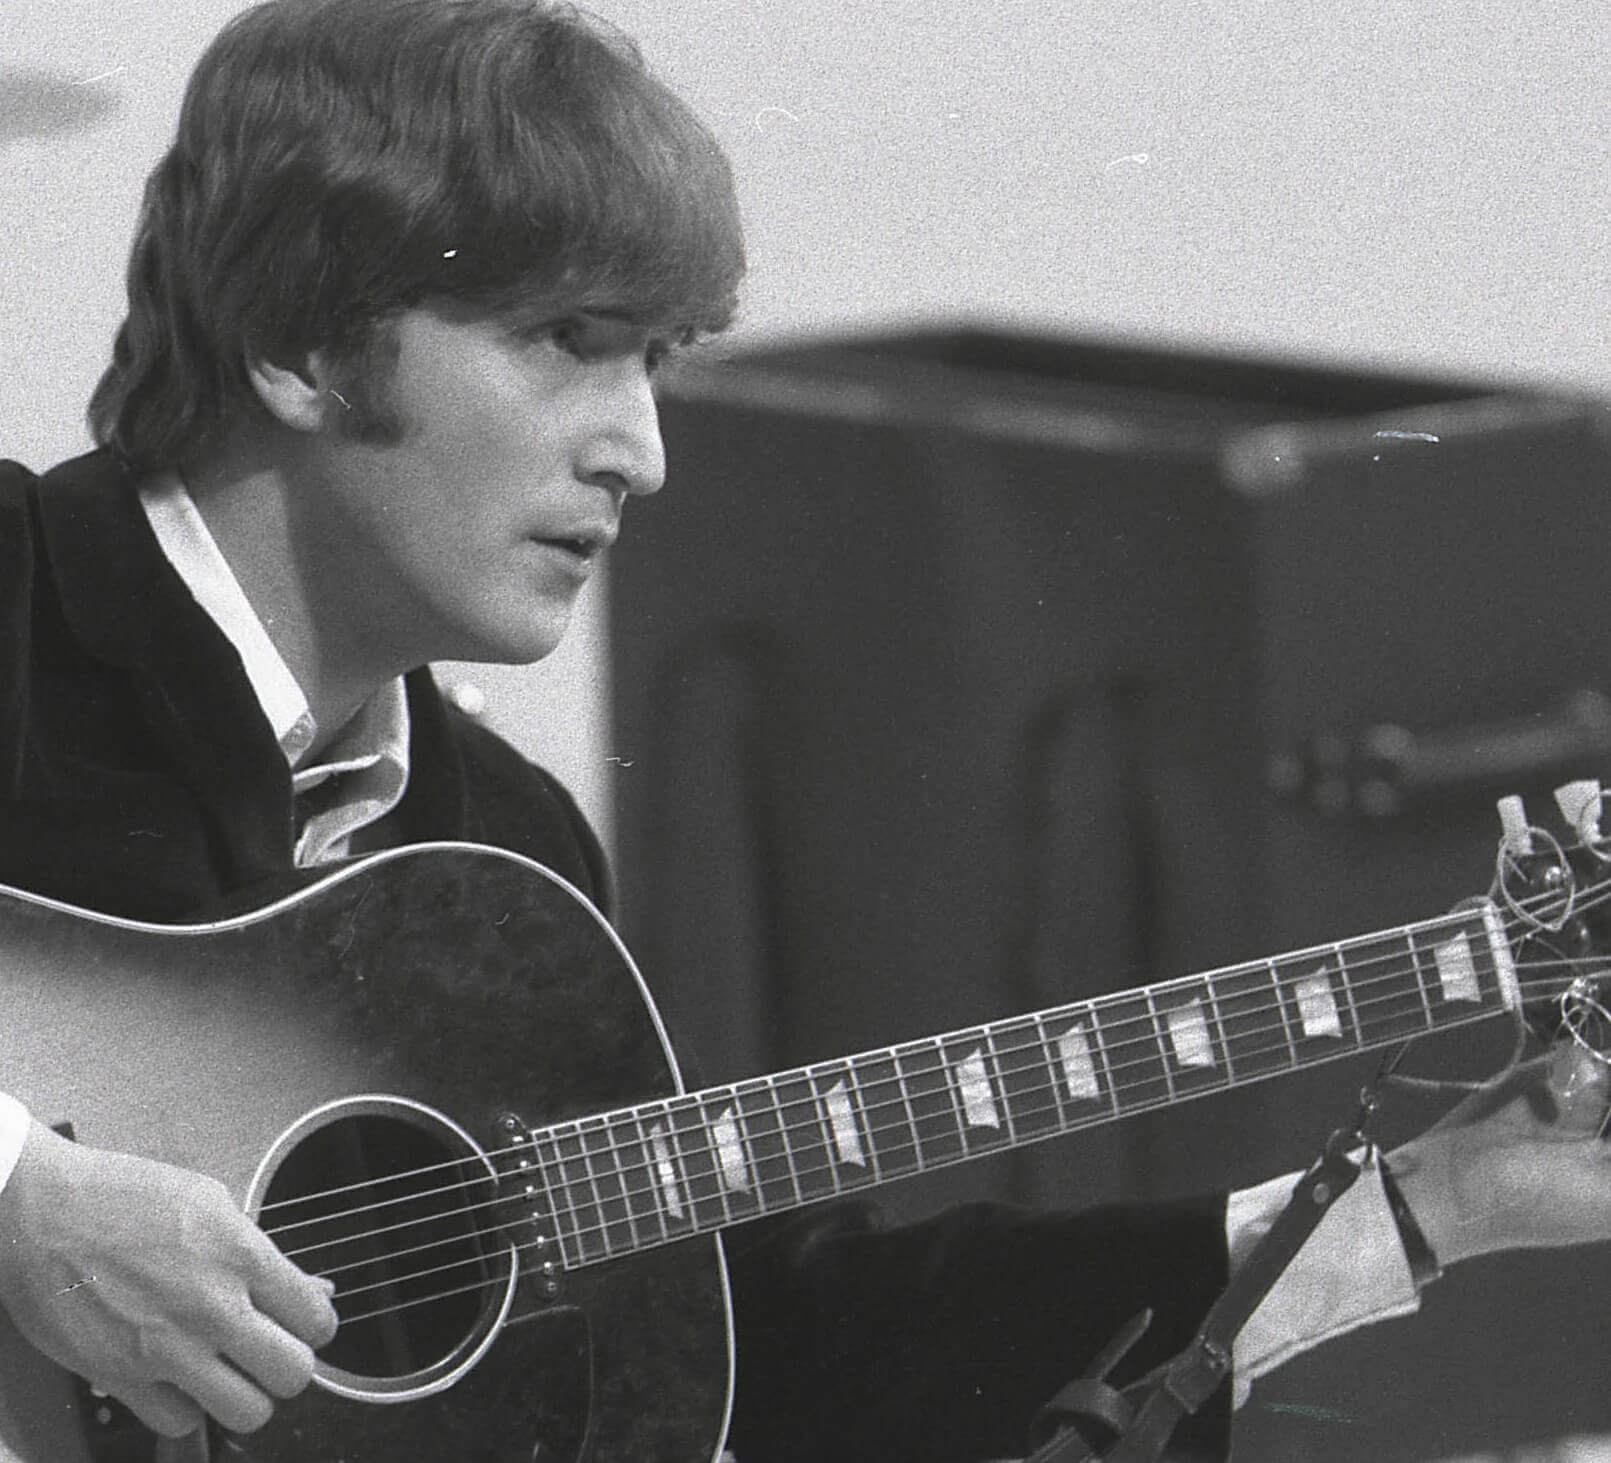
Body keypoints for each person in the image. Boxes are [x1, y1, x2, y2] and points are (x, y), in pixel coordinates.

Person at [0, 2, 1609, 1460]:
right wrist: (22, 1193)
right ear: (293, 342)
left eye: (661, 360)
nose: (643, 452)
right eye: (569, 341)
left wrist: (1431, 1208)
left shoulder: (505, 852)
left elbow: (757, 1354)